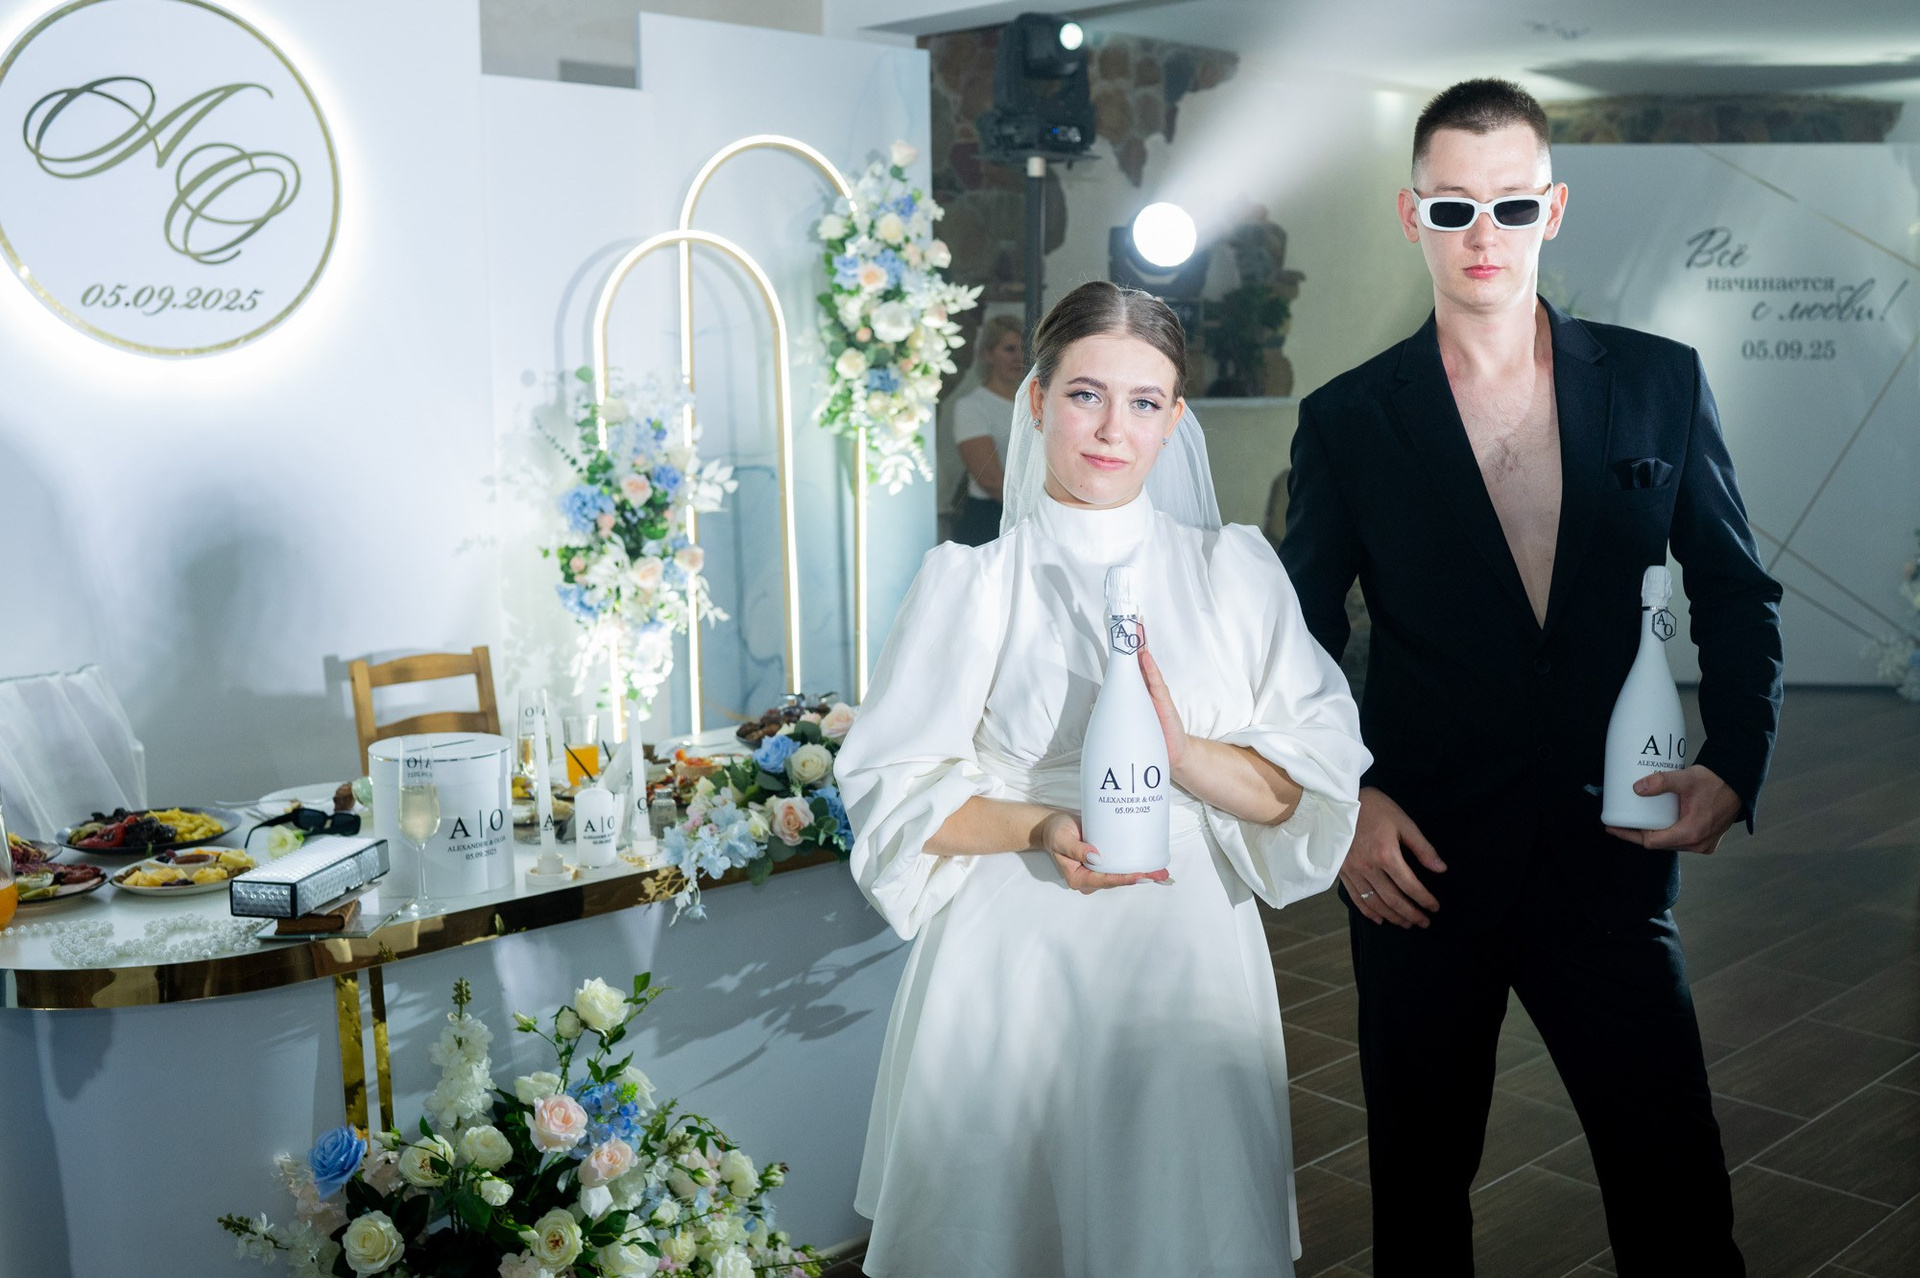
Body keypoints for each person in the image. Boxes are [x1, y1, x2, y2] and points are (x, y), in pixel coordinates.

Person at [1280, 79, 1784, 1276]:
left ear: (1552, 209)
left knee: (1677, 1197)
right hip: (1417, 864)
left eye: (1511, 206)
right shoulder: (1348, 421)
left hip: (1610, 852)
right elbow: (1292, 642)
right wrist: (1338, 801)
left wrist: (1735, 759)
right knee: (1419, 1203)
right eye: (1453, 207)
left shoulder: (1658, 381)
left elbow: (1735, 589)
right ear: (1412, 215)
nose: (1484, 235)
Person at [838, 281, 1371, 1277]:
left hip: (1186, 953)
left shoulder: (1234, 575)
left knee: (1178, 1225)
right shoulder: (973, 585)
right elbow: (896, 793)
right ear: (1037, 400)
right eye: (1086, 395)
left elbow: (1298, 795)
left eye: (1143, 401)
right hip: (1014, 956)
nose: (1112, 429)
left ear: (1175, 419)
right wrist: (1041, 827)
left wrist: (1183, 754)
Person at [948, 312, 1027, 545]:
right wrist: (1037, 508)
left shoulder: (1035, 401)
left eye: (1023, 348)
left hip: (1029, 517)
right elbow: (990, 480)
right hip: (990, 519)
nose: (1018, 357)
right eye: (1009, 349)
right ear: (987, 354)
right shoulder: (972, 406)